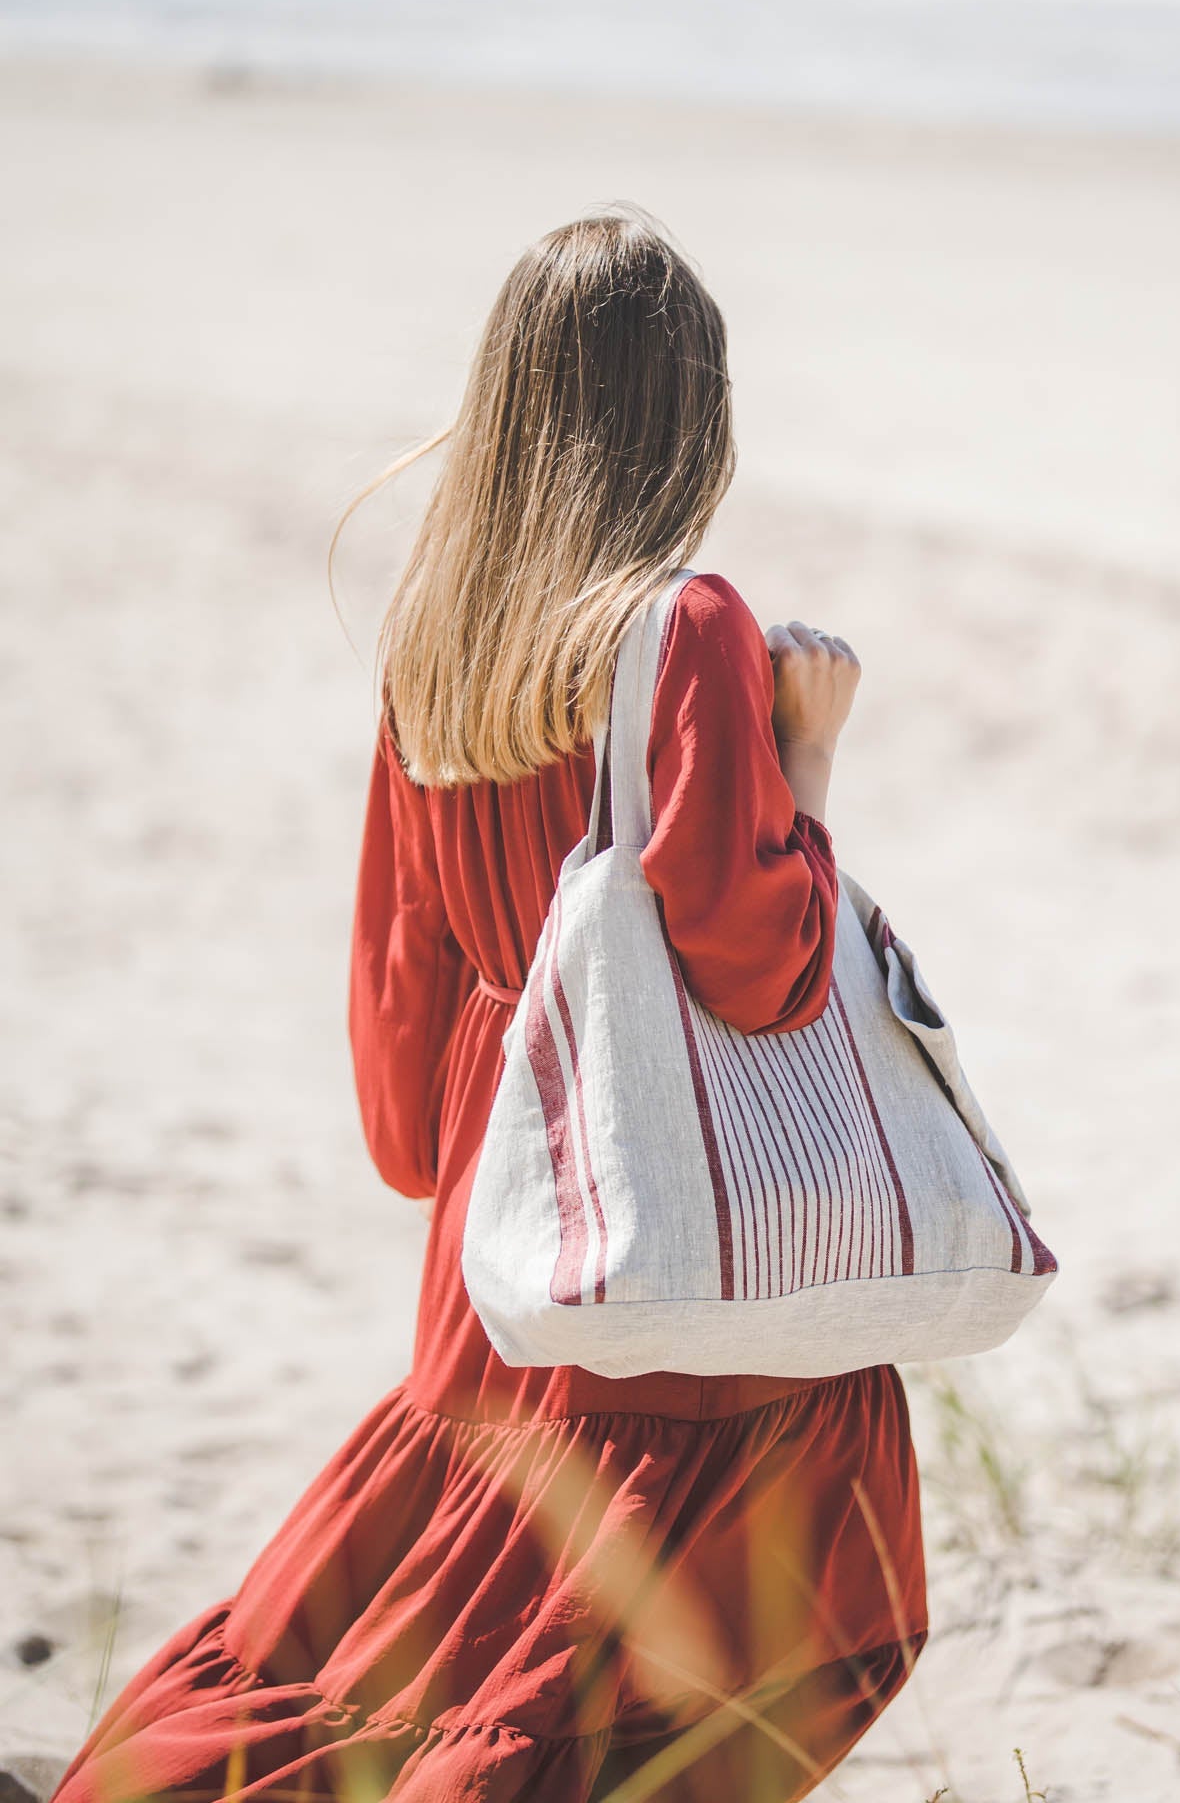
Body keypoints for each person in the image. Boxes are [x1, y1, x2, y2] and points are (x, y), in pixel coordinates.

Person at [51, 206, 928, 1803]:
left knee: (414, 1646)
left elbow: (399, 1004)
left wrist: (441, 1158)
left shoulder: (439, 643)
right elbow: (756, 961)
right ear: (693, 416)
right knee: (746, 1612)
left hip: (504, 1199)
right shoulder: (686, 629)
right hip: (659, 1228)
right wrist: (806, 761)